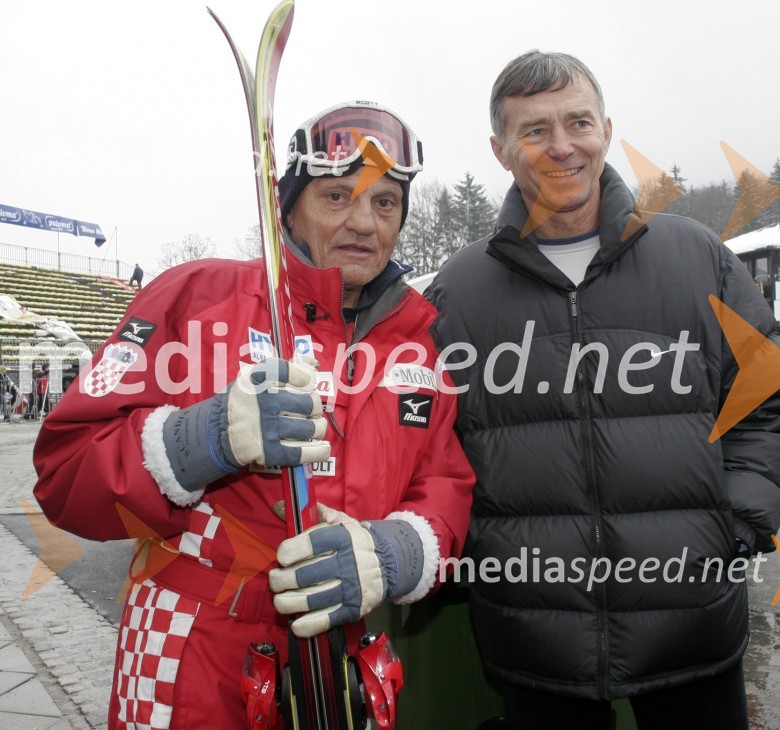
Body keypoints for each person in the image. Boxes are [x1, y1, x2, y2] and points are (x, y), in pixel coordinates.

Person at [33, 100, 474, 729]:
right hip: (192, 654)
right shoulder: (194, 297)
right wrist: (202, 437)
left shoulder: (417, 343)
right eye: (337, 196)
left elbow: (444, 488)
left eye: (385, 203)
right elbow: (65, 476)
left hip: (338, 665)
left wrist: (392, 553)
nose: (364, 222)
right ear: (287, 208)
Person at [427, 51, 780, 730]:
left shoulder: (697, 257)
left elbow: (767, 398)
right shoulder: (459, 290)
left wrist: (736, 523)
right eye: (534, 130)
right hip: (535, 635)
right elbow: (432, 447)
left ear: (606, 130)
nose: (561, 146)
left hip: (692, 626)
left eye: (578, 122)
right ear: (500, 150)